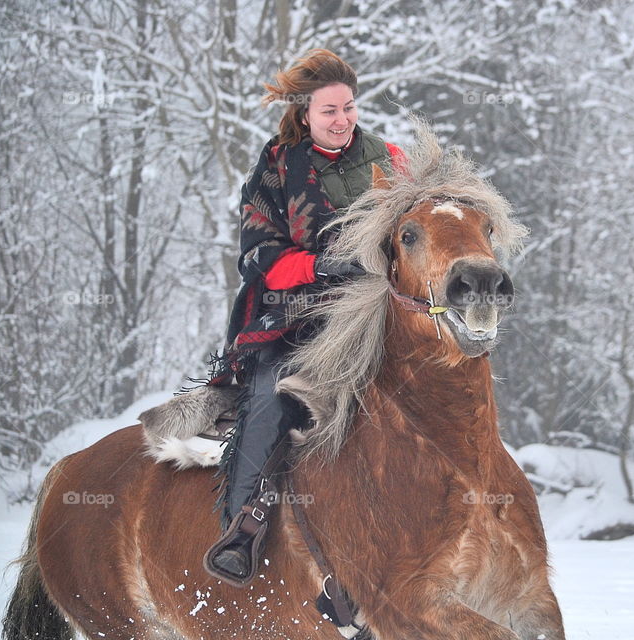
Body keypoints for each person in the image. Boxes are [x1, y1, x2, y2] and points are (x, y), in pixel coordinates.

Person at [203, 49, 405, 585]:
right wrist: (319, 264)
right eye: (329, 111)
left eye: (349, 107)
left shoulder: (392, 160)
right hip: (296, 315)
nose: (343, 120)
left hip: (381, 311)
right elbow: (257, 257)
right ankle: (241, 530)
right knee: (272, 394)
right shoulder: (273, 168)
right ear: (304, 115)